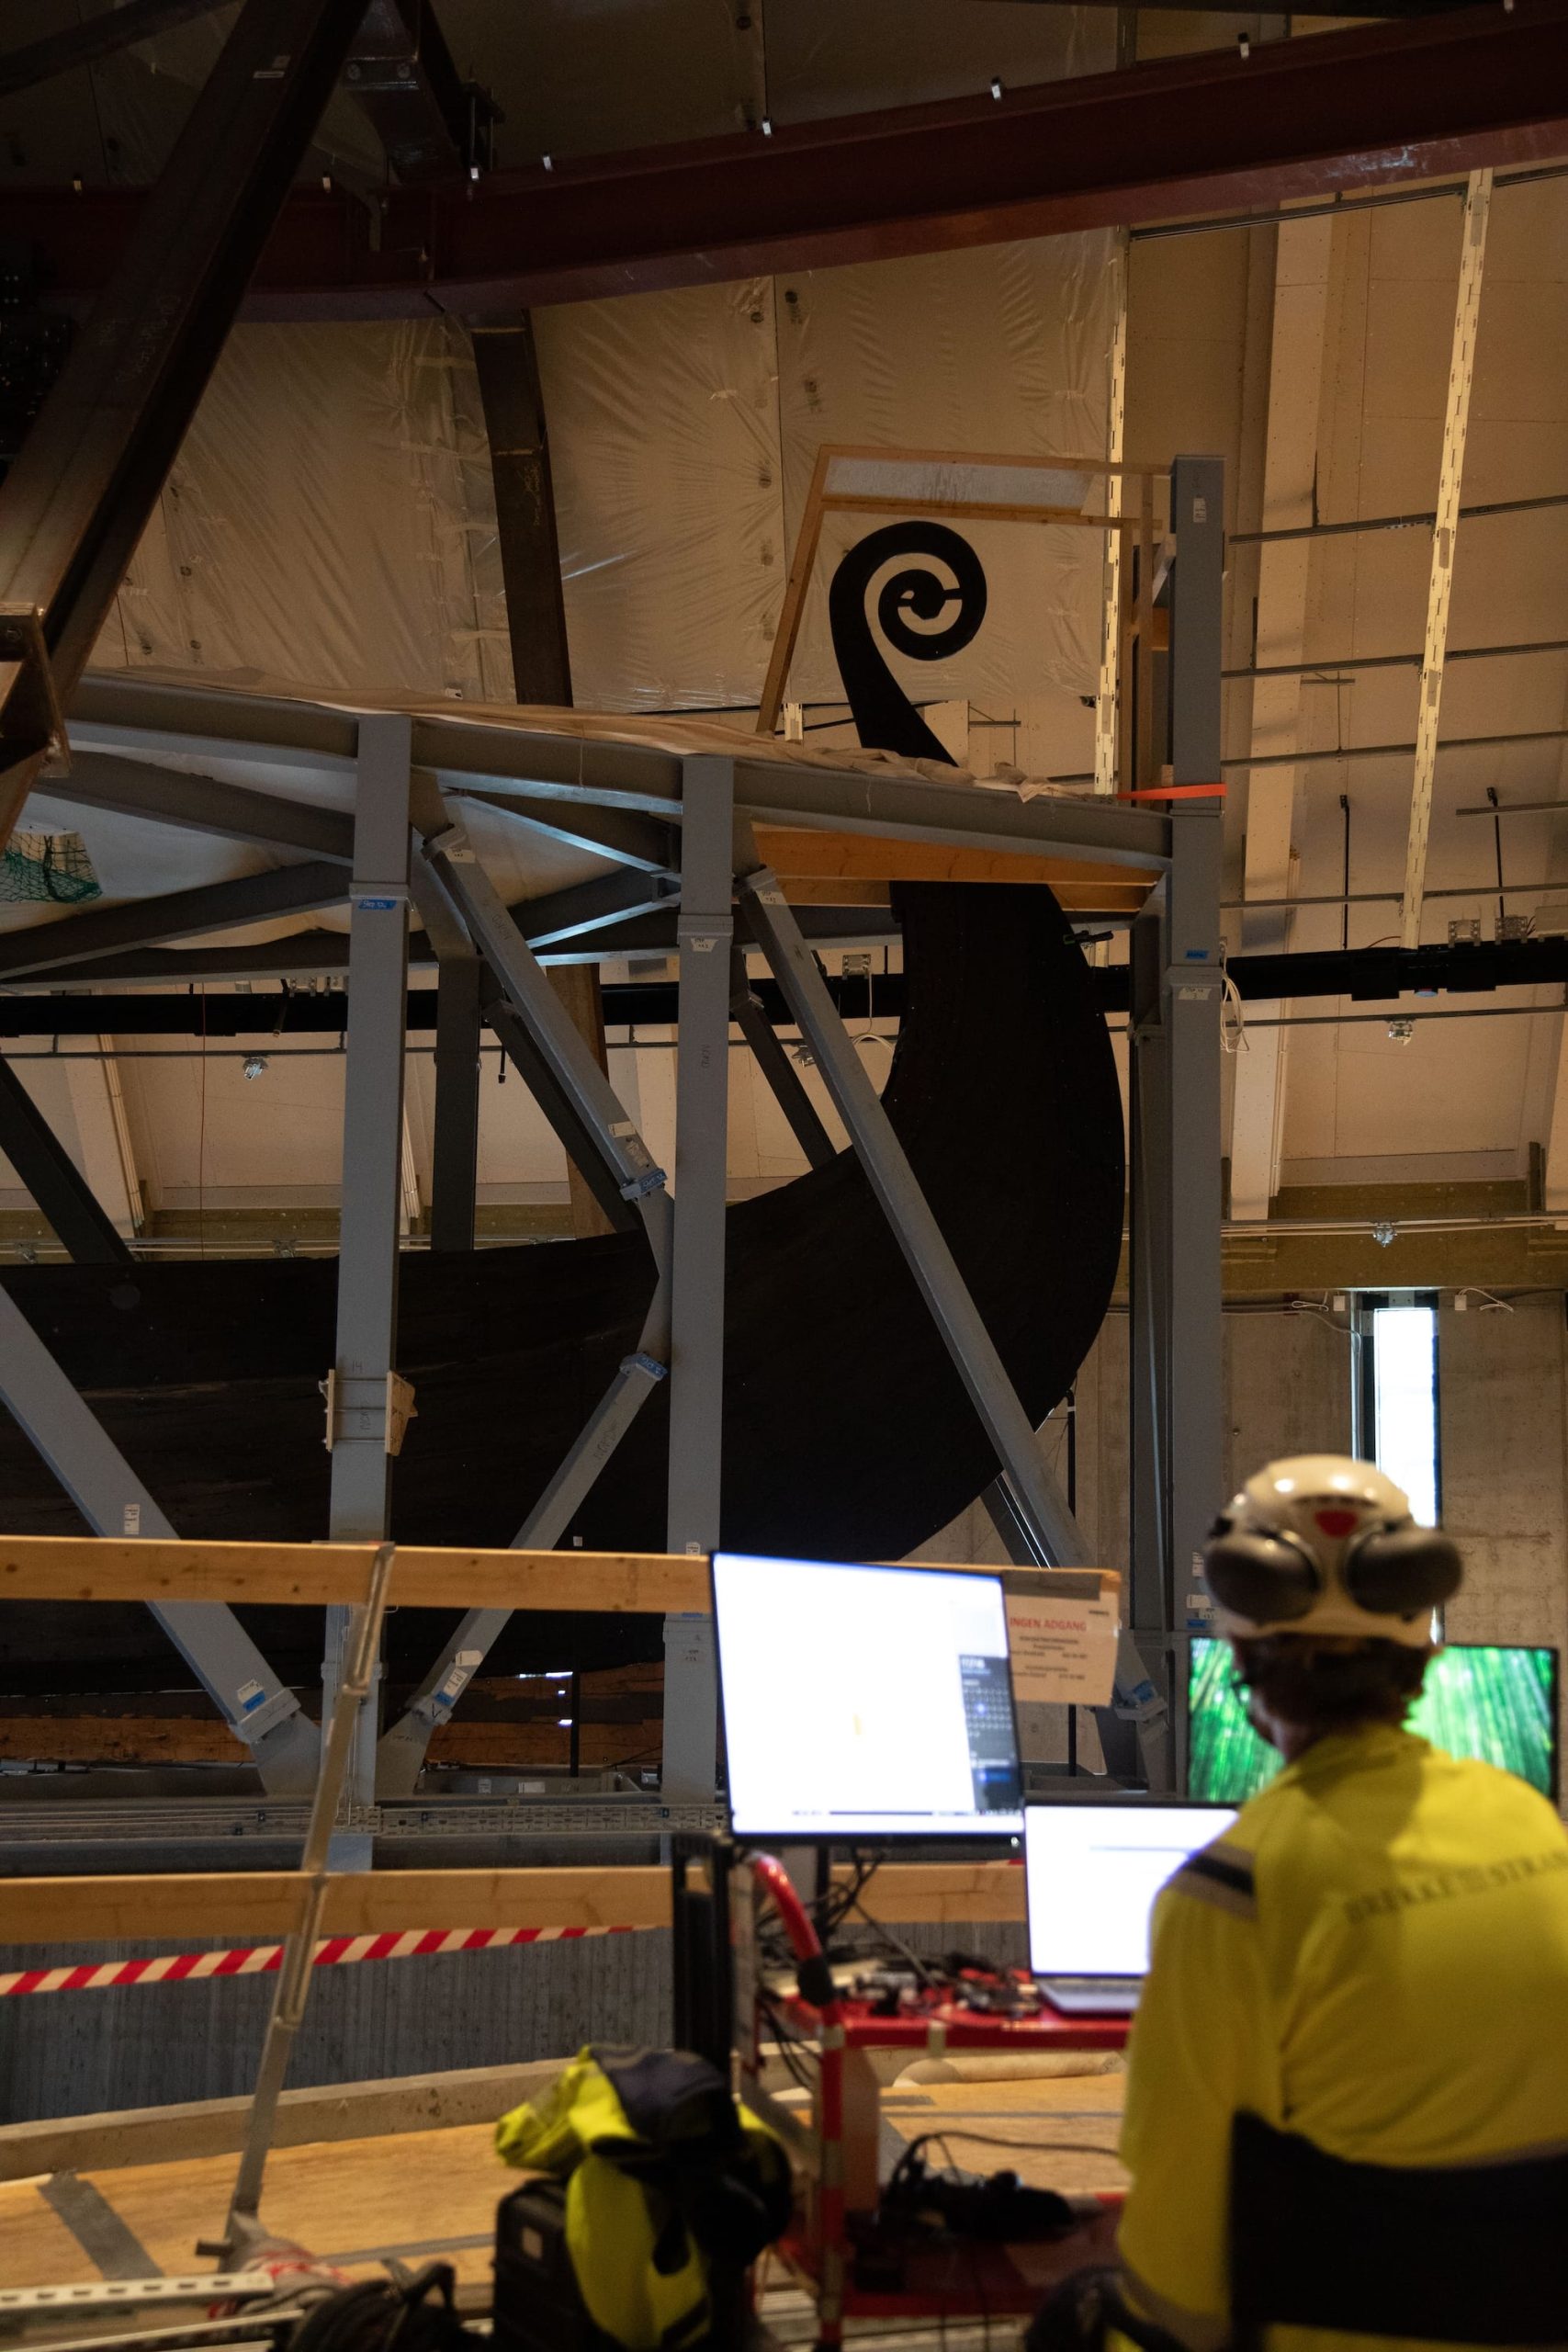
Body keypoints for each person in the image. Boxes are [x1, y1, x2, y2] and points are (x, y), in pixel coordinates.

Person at [1109, 1454, 1568, 2352]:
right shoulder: (1532, 1822)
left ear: (1239, 1654)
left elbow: (1179, 2283)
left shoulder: (1231, 1894)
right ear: (1423, 1645)